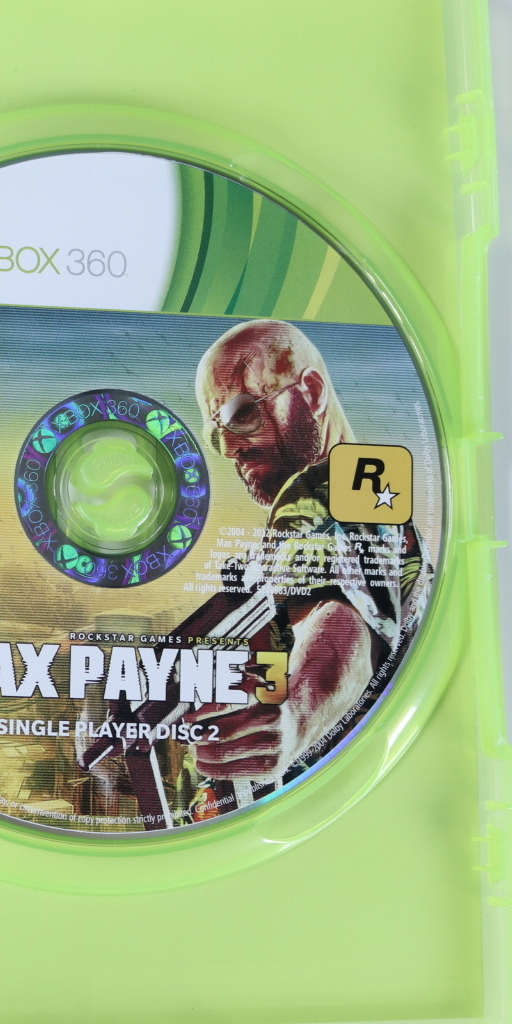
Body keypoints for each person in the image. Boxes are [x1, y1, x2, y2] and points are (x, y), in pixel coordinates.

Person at [186, 318, 429, 783]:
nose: (231, 448)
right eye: (217, 435)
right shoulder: (365, 499)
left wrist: (296, 713)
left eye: (241, 413)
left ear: (312, 392)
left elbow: (339, 620)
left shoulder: (321, 492)